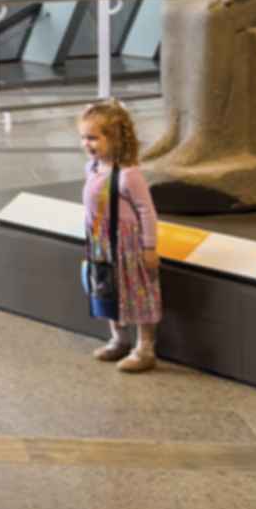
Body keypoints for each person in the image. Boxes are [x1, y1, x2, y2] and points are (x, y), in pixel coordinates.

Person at [79, 98, 161, 375]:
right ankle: (119, 339)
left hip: (128, 245)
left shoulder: (129, 175)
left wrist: (149, 248)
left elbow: (147, 212)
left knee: (137, 293)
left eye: (93, 138)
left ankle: (145, 348)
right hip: (101, 243)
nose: (87, 144)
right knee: (106, 289)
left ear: (113, 139)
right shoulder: (92, 168)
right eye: (84, 138)